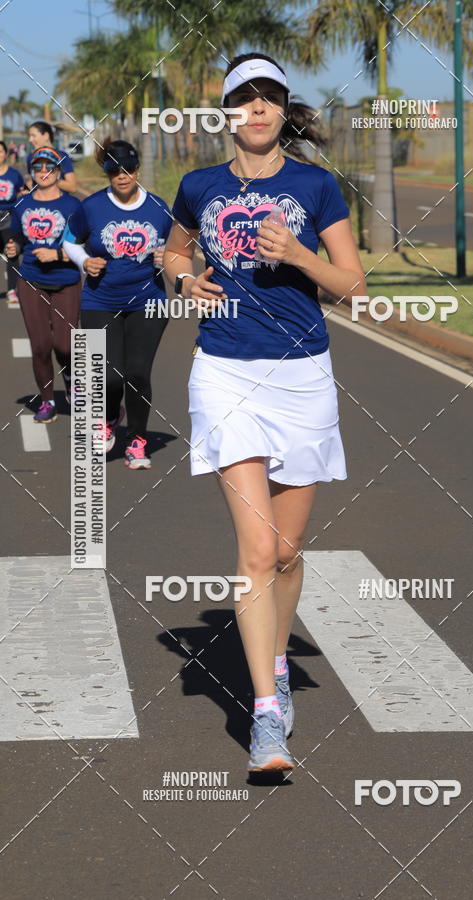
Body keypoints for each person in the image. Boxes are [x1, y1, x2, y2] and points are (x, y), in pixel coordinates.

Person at [164, 52, 367, 774]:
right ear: (225, 112)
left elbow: (354, 285)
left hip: (303, 376)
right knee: (254, 554)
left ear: (284, 109)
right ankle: (267, 715)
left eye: (268, 99)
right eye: (243, 100)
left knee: (284, 553)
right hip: (222, 372)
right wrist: (185, 278)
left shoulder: (315, 186)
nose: (256, 111)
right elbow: (172, 249)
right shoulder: (198, 186)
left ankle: (275, 661)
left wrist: (302, 256)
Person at [63, 139, 171, 469]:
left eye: (127, 169)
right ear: (106, 173)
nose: (121, 176)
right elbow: (68, 240)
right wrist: (84, 262)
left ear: (137, 169)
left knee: (137, 374)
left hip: (147, 301)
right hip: (100, 300)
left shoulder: (158, 208)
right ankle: (109, 416)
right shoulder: (92, 206)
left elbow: (178, 250)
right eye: (113, 170)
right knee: (110, 375)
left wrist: (166, 258)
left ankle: (137, 440)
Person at [5, 146, 82, 422]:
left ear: (58, 170)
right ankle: (47, 400)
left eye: (49, 167)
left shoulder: (73, 206)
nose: (43, 172)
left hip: (66, 280)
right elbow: (15, 237)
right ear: (31, 172)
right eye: (38, 167)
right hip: (31, 281)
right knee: (40, 345)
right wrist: (13, 248)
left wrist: (58, 254)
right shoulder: (22, 205)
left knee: (65, 345)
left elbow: (83, 245)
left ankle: (72, 379)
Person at [0, 139, 27, 306]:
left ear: (5, 154)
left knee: (12, 250)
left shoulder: (14, 174)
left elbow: (22, 191)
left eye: (1, 152)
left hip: (8, 217)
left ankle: (12, 290)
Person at [26, 121, 77, 194]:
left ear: (46, 135)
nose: (30, 140)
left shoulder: (62, 156)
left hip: (59, 204)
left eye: (33, 136)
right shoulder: (30, 157)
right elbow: (33, 186)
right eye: (29, 136)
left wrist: (49, 179)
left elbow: (72, 187)